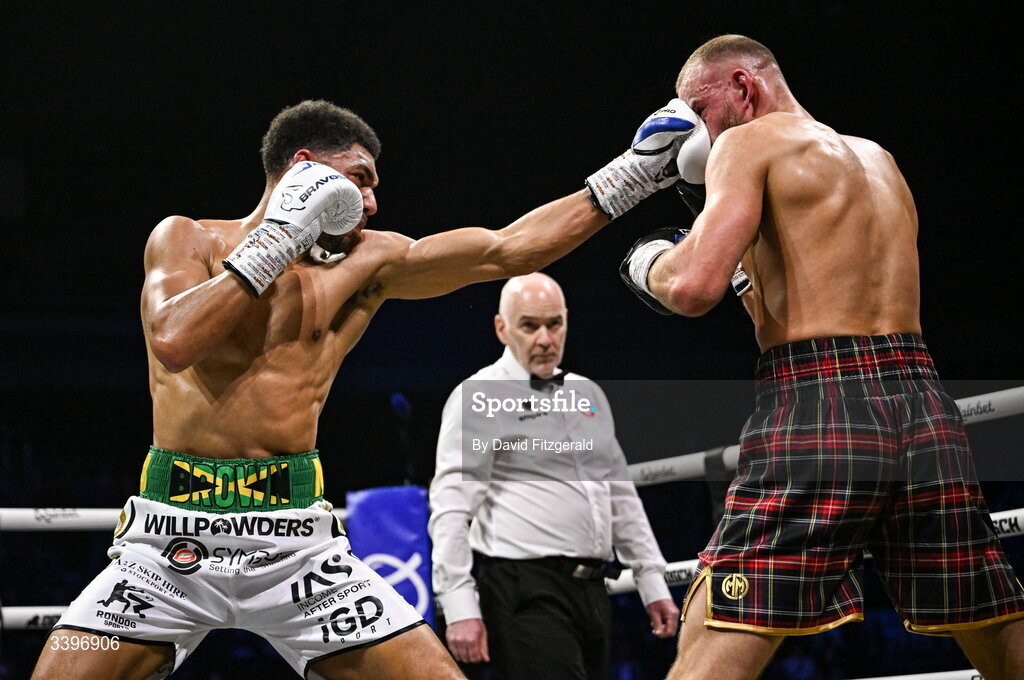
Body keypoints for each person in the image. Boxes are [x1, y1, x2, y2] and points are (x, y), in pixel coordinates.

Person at [31, 98, 702, 680]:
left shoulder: (368, 262)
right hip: (168, 541)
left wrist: (634, 173)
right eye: (360, 179)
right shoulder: (186, 239)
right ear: (303, 168)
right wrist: (277, 239)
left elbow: (508, 250)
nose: (373, 202)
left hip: (296, 545)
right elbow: (175, 339)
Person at [618, 35, 1024, 680]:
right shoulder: (878, 160)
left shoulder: (748, 144)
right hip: (923, 402)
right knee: (989, 620)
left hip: (821, 402)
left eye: (701, 110)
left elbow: (694, 288)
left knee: (731, 618)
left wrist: (646, 263)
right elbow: (800, 282)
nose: (700, 131)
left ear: (743, 88)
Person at [428, 273, 679, 679]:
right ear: (502, 328)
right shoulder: (480, 395)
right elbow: (451, 506)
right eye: (530, 326)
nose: (545, 338)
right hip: (523, 588)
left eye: (554, 324)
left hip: (593, 589)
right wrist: (459, 605)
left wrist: (651, 580)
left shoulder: (587, 393)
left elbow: (618, 492)